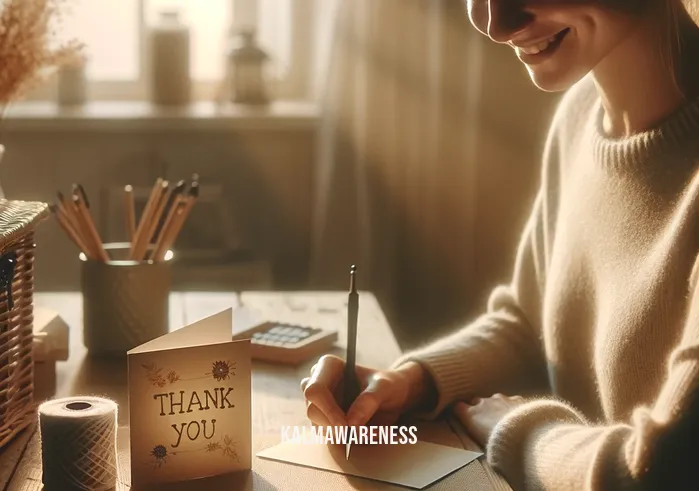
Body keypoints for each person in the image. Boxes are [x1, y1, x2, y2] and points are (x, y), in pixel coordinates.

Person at [302, 0, 699, 489]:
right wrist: (411, 382)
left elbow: (665, 470)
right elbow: (527, 325)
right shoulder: (578, 117)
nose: (493, 23)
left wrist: (524, 433)